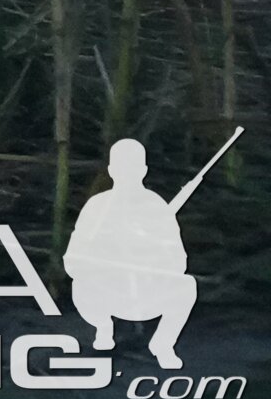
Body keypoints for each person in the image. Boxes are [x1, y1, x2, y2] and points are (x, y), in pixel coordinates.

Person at [65, 138, 200, 370]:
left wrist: (151, 258)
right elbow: (72, 260)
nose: (128, 174)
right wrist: (104, 263)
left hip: (147, 294)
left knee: (187, 286)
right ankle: (103, 327)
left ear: (144, 170)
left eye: (133, 168)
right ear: (111, 171)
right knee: (79, 286)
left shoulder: (156, 207)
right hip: (105, 293)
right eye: (122, 168)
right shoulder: (97, 206)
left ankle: (163, 344)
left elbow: (179, 260)